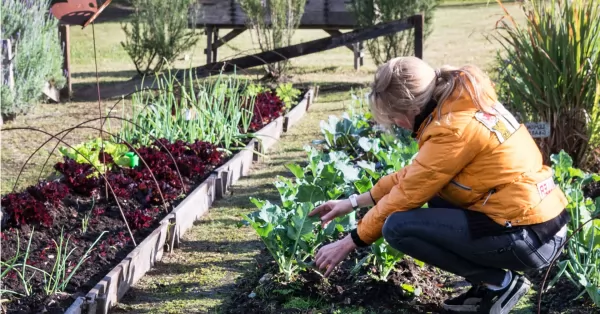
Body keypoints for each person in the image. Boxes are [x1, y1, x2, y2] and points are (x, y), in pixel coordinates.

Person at [308, 56, 570, 314]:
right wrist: (353, 202)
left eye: (395, 116)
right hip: (538, 224)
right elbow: (417, 175)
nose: (397, 124)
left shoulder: (452, 129)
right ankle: (489, 285)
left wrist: (349, 242)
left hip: (531, 237)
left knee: (398, 228)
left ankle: (500, 283)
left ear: (411, 108)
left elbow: (406, 195)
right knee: (438, 199)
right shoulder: (460, 104)